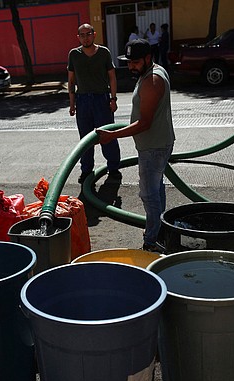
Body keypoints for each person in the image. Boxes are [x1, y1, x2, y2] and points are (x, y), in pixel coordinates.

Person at [96, 39, 175, 253]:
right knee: (156, 188)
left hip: (153, 146)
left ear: (148, 58)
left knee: (149, 193)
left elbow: (144, 123)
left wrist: (112, 135)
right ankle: (158, 228)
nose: (131, 66)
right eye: (128, 62)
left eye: (135, 62)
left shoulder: (152, 81)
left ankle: (152, 241)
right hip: (157, 143)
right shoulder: (151, 72)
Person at [67, 23, 122, 184]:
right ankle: (86, 171)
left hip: (102, 99)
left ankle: (113, 168)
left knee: (107, 135)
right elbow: (71, 80)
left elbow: (112, 76)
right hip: (82, 100)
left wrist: (113, 98)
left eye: (88, 34)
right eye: (82, 35)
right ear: (78, 37)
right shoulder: (74, 54)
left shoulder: (104, 52)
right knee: (85, 138)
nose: (86, 37)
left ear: (94, 34)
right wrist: (72, 103)